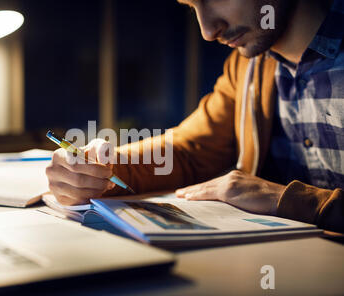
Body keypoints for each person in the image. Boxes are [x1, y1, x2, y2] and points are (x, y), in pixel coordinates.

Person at [46, 0, 344, 233]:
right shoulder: (249, 68)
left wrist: (292, 202)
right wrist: (102, 168)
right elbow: (188, 150)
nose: (207, 30)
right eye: (192, 6)